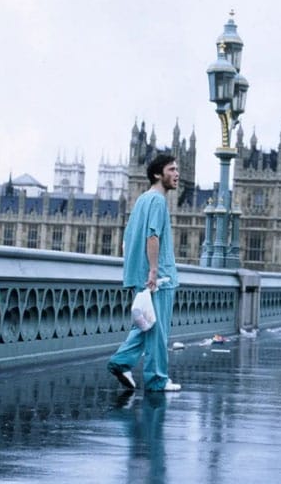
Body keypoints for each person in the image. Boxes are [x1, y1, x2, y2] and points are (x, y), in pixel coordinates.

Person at [107, 154, 181, 392]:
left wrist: (137, 271)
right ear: (158, 174)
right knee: (158, 330)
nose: (177, 174)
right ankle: (157, 380)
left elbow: (127, 240)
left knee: (146, 324)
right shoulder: (158, 201)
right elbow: (152, 236)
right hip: (159, 277)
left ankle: (120, 363)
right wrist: (153, 270)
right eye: (172, 169)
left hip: (139, 274)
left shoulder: (141, 200)